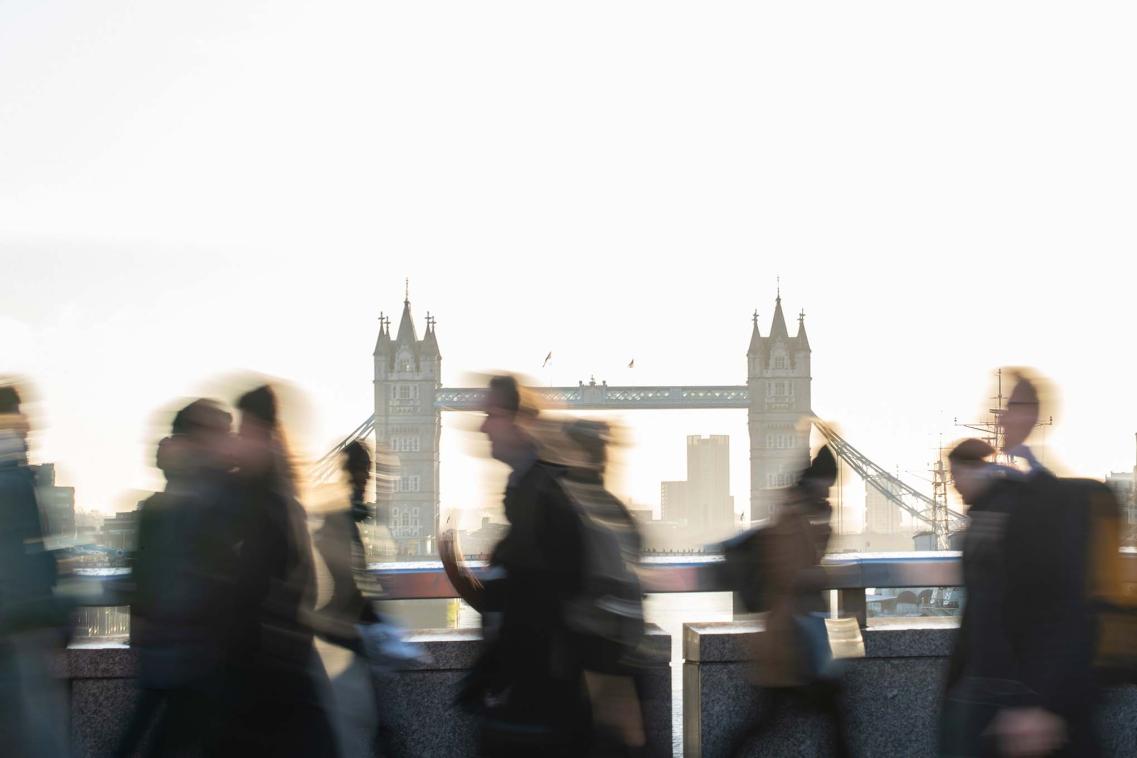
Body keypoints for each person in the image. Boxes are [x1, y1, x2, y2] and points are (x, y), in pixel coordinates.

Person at [439, 375, 588, 757]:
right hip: (531, 695)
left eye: (492, 414)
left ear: (519, 418)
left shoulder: (547, 493)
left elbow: (548, 595)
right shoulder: (527, 488)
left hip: (538, 699)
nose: (483, 425)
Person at [942, 431, 1096, 758]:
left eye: (956, 474)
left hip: (1002, 681)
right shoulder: (991, 513)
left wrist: (1027, 697)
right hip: (1001, 679)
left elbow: (1005, 602)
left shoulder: (1002, 518)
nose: (953, 484)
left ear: (976, 470)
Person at [217, 384, 338, 757]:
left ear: (263, 435)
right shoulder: (281, 499)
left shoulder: (262, 505)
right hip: (279, 677)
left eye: (243, 431)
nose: (237, 441)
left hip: (266, 684)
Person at [115, 399, 238, 757]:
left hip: (167, 644)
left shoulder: (160, 503)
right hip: (196, 648)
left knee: (154, 735)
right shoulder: (207, 498)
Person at [728, 446, 851, 758]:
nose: (830, 490)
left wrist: (824, 521)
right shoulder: (791, 515)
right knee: (766, 719)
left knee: (828, 714)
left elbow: (814, 559)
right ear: (815, 481)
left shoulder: (811, 512)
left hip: (807, 629)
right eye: (827, 483)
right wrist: (830, 575)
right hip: (789, 636)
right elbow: (792, 575)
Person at [0, 383, 70, 757]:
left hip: (18, 620)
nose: (29, 422)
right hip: (21, 623)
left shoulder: (19, 474)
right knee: (39, 732)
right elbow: (30, 554)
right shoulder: (13, 475)